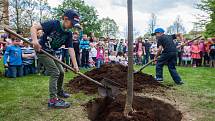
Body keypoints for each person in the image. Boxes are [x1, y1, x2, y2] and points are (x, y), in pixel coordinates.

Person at [30, 9, 80, 109]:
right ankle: (53, 101)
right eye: (72, 23)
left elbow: (71, 50)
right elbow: (34, 28)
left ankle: (59, 91)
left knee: (61, 72)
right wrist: (35, 41)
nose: (72, 26)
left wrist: (75, 66)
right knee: (55, 72)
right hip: (42, 51)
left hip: (51, 53)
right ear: (65, 19)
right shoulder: (53, 24)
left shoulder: (68, 34)